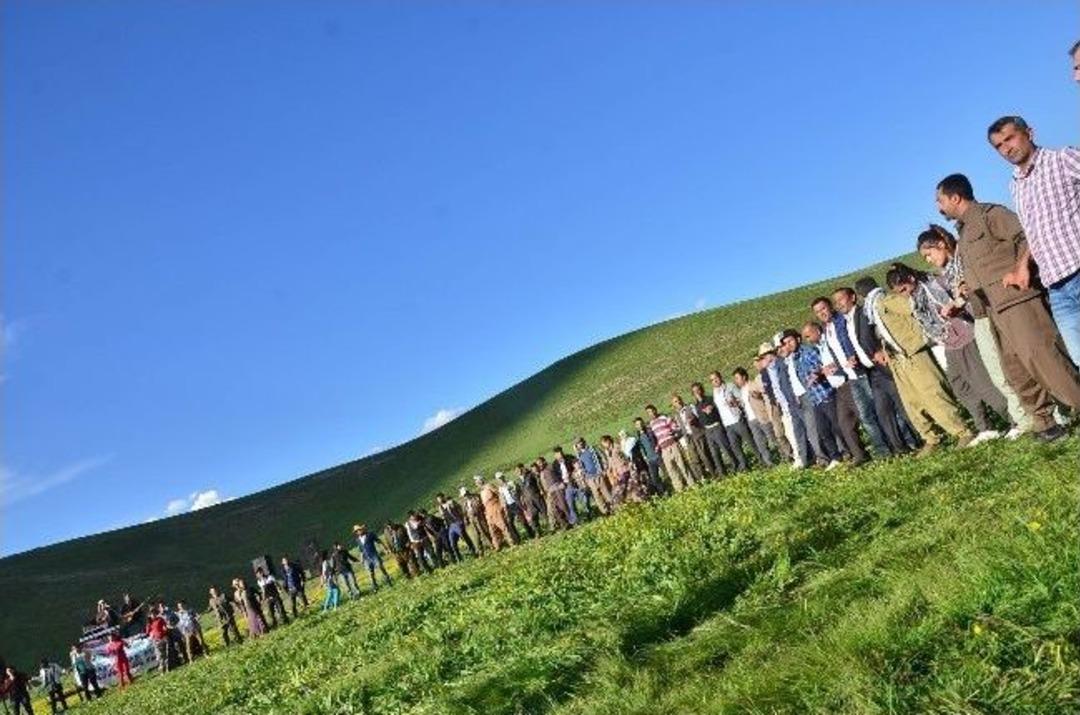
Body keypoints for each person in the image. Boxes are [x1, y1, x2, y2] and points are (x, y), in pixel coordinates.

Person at [936, 173, 1080, 441]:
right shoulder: (964, 231)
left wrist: (1020, 268)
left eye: (940, 200)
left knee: (1044, 358)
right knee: (1017, 371)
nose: (938, 206)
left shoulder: (992, 215)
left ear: (955, 197)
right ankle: (1045, 423)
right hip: (992, 310)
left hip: (1017, 301)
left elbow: (1028, 238)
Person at [917, 223, 1032, 431]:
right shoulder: (947, 270)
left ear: (942, 245)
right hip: (978, 318)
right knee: (998, 374)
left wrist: (958, 303)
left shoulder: (961, 260)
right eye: (925, 258)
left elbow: (970, 287)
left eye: (929, 254)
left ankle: (1025, 417)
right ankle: (1022, 419)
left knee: (1007, 370)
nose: (929, 260)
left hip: (988, 315)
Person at [886, 261, 1014, 444]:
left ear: (911, 279)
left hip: (965, 337)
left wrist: (953, 307)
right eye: (899, 292)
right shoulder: (916, 299)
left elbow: (962, 300)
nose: (904, 294)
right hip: (949, 344)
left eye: (904, 289)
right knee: (961, 387)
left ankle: (1013, 418)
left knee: (983, 383)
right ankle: (985, 427)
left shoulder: (935, 284)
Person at [987, 116, 1080, 366]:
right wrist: (1022, 265)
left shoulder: (1063, 158)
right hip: (1056, 288)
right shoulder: (1016, 185)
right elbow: (1034, 231)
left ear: (1029, 133)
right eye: (999, 145)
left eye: (1010, 138)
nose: (1006, 148)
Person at [855, 276, 975, 453]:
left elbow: (914, 309)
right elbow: (885, 332)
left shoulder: (888, 300)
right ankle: (931, 438)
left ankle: (962, 432)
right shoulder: (873, 308)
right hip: (897, 359)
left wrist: (916, 338)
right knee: (912, 403)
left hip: (913, 354)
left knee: (933, 394)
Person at [831, 287, 920, 453]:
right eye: (836, 302)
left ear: (852, 297)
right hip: (870, 372)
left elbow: (879, 330)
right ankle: (900, 448)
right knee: (883, 411)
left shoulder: (864, 313)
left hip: (883, 366)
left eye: (841, 299)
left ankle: (920, 439)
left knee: (901, 406)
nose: (838, 304)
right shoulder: (846, 321)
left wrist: (881, 348)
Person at [812, 295, 894, 458]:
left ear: (830, 307)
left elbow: (853, 340)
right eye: (817, 312)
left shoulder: (841, 321)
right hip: (849, 375)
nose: (822, 313)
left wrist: (853, 356)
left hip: (861, 371)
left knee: (880, 411)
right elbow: (837, 353)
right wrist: (834, 368)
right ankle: (882, 450)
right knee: (866, 416)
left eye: (823, 308)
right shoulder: (826, 329)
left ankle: (897, 443)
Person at [801, 321, 869, 467]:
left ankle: (885, 447)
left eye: (808, 335)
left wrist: (826, 371)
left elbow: (838, 360)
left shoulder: (827, 344)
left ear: (818, 331)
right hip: (837, 388)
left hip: (846, 382)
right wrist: (820, 373)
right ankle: (859, 455)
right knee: (844, 424)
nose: (808, 340)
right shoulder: (819, 347)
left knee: (865, 416)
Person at [705, 374, 754, 471]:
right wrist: (712, 407)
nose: (715, 381)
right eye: (712, 380)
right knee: (735, 447)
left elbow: (741, 398)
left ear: (720, 377)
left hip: (737, 419)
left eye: (716, 378)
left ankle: (763, 460)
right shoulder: (714, 393)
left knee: (750, 442)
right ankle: (745, 466)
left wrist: (735, 402)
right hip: (727, 424)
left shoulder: (730, 386)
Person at [731, 367, 777, 467]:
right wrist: (737, 404)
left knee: (773, 438)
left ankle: (786, 456)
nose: (736, 381)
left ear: (744, 377)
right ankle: (769, 463)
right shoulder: (742, 390)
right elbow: (746, 404)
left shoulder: (753, 384)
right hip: (751, 420)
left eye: (737, 378)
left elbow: (763, 396)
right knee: (760, 443)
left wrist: (758, 396)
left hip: (762, 416)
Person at [645, 404, 695, 491]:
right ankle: (680, 489)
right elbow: (656, 437)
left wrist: (673, 435)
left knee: (682, 465)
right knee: (671, 470)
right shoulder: (651, 424)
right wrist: (657, 446)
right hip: (664, 449)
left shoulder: (664, 418)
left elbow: (676, 428)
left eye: (652, 411)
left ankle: (692, 484)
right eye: (649, 412)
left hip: (672, 444)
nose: (651, 413)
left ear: (655, 410)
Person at [670, 394, 715, 479]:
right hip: (688, 438)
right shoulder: (676, 415)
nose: (678, 402)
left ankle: (714, 474)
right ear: (673, 405)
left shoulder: (690, 407)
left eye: (679, 399)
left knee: (704, 456)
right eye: (676, 401)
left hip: (697, 434)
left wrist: (694, 420)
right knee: (695, 459)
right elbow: (680, 428)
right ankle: (702, 478)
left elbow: (700, 417)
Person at [478, 474, 517, 547]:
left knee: (503, 525)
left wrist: (502, 505)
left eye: (477, 481)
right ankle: (498, 545)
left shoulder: (489, 486)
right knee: (493, 529)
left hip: (496, 508)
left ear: (481, 481)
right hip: (489, 511)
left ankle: (512, 542)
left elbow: (499, 494)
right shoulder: (481, 491)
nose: (477, 483)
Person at [575, 438, 612, 514]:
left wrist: (604, 468)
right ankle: (605, 511)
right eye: (578, 443)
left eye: (581, 442)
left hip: (599, 474)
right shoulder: (579, 455)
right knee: (597, 496)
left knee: (606, 492)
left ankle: (613, 507)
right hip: (590, 478)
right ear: (577, 446)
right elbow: (581, 467)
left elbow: (602, 457)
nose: (580, 444)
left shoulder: (592, 449)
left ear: (584, 442)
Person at [437, 493, 480, 558]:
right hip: (450, 526)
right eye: (438, 499)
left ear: (443, 497)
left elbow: (460, 509)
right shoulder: (440, 507)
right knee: (452, 542)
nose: (440, 500)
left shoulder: (451, 502)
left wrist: (462, 520)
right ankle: (458, 557)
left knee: (465, 537)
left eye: (440, 498)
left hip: (457, 522)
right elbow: (443, 517)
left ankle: (473, 551)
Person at [353, 524, 394, 591]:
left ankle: (388, 580)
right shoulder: (358, 540)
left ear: (362, 529)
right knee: (370, 573)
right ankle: (375, 587)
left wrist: (385, 549)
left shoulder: (370, 534)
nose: (358, 532)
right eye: (356, 531)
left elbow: (379, 541)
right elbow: (361, 550)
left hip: (374, 555)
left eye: (359, 530)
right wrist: (361, 559)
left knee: (381, 567)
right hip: (366, 558)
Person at [632, 417, 666, 494]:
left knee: (666, 473)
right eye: (637, 424)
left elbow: (657, 438)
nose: (640, 425)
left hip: (658, 456)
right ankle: (663, 492)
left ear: (643, 423)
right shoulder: (638, 436)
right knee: (654, 478)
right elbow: (641, 448)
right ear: (635, 426)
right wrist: (645, 457)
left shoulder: (650, 431)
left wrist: (658, 446)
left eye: (641, 423)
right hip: (650, 459)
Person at [537, 456, 573, 530]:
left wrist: (562, 483)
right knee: (555, 509)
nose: (539, 465)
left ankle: (571, 521)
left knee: (563, 506)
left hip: (557, 488)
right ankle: (564, 524)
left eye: (540, 463)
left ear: (544, 461)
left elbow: (560, 473)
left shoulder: (551, 467)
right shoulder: (541, 473)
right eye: (538, 464)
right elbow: (544, 484)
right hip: (550, 492)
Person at [495, 473, 533, 539]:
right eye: (499, 479)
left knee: (522, 520)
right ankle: (517, 538)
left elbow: (518, 491)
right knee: (510, 523)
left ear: (503, 477)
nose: (501, 479)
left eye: (501, 477)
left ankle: (531, 534)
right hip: (508, 506)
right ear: (497, 480)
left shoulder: (511, 483)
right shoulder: (500, 488)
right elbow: (502, 498)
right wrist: (504, 507)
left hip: (515, 503)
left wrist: (512, 489)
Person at [551, 447, 583, 524]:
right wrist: (561, 482)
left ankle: (589, 513)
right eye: (558, 454)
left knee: (584, 499)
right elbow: (556, 476)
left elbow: (576, 463)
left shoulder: (569, 457)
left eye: (561, 453)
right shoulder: (555, 464)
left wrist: (573, 472)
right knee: (570, 504)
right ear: (555, 455)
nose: (561, 455)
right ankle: (576, 520)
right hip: (566, 486)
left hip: (576, 482)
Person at [460, 486, 493, 554]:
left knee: (484, 530)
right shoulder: (465, 502)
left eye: (466, 494)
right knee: (476, 534)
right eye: (464, 495)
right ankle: (480, 550)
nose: (466, 496)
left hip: (479, 517)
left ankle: (491, 545)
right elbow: (464, 512)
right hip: (472, 519)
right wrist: (466, 519)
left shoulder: (475, 497)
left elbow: (479, 505)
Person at [516, 463, 548, 533]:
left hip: (536, 497)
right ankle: (538, 532)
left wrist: (541, 490)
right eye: (517, 471)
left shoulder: (530, 475)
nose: (518, 472)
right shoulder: (518, 481)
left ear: (522, 468)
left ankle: (552, 526)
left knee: (544, 512)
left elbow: (538, 482)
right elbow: (520, 492)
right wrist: (522, 499)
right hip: (528, 501)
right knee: (533, 517)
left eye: (519, 470)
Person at [145, 606, 172, 672]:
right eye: (151, 614)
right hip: (156, 640)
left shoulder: (160, 619)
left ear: (156, 613)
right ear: (150, 615)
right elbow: (147, 632)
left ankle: (168, 668)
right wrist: (148, 624)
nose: (153, 615)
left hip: (163, 637)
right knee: (159, 655)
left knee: (166, 654)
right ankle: (162, 669)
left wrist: (165, 629)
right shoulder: (150, 622)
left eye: (154, 613)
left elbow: (165, 626)